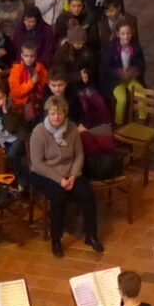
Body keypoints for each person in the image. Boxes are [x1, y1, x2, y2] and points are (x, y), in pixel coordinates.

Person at [25, 92, 102, 256]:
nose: (56, 117)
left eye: (59, 113)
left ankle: (91, 235)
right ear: (48, 114)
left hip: (70, 172)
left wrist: (74, 175)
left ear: (65, 113)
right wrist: (60, 180)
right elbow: (37, 164)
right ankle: (56, 240)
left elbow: (79, 155)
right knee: (59, 198)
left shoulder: (72, 129)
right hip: (46, 173)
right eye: (52, 113)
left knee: (87, 194)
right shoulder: (39, 132)